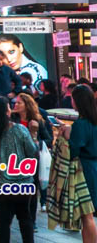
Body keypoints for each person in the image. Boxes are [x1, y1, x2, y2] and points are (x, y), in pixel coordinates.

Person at [0, 96, 38, 243]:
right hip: (22, 183)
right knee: (25, 218)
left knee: (3, 221)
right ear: (5, 112)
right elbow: (32, 151)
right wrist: (34, 134)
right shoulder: (19, 129)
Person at [66, 84, 97, 243]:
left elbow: (74, 150)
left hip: (85, 170)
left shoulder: (81, 124)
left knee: (87, 215)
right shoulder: (93, 121)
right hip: (94, 167)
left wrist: (66, 135)